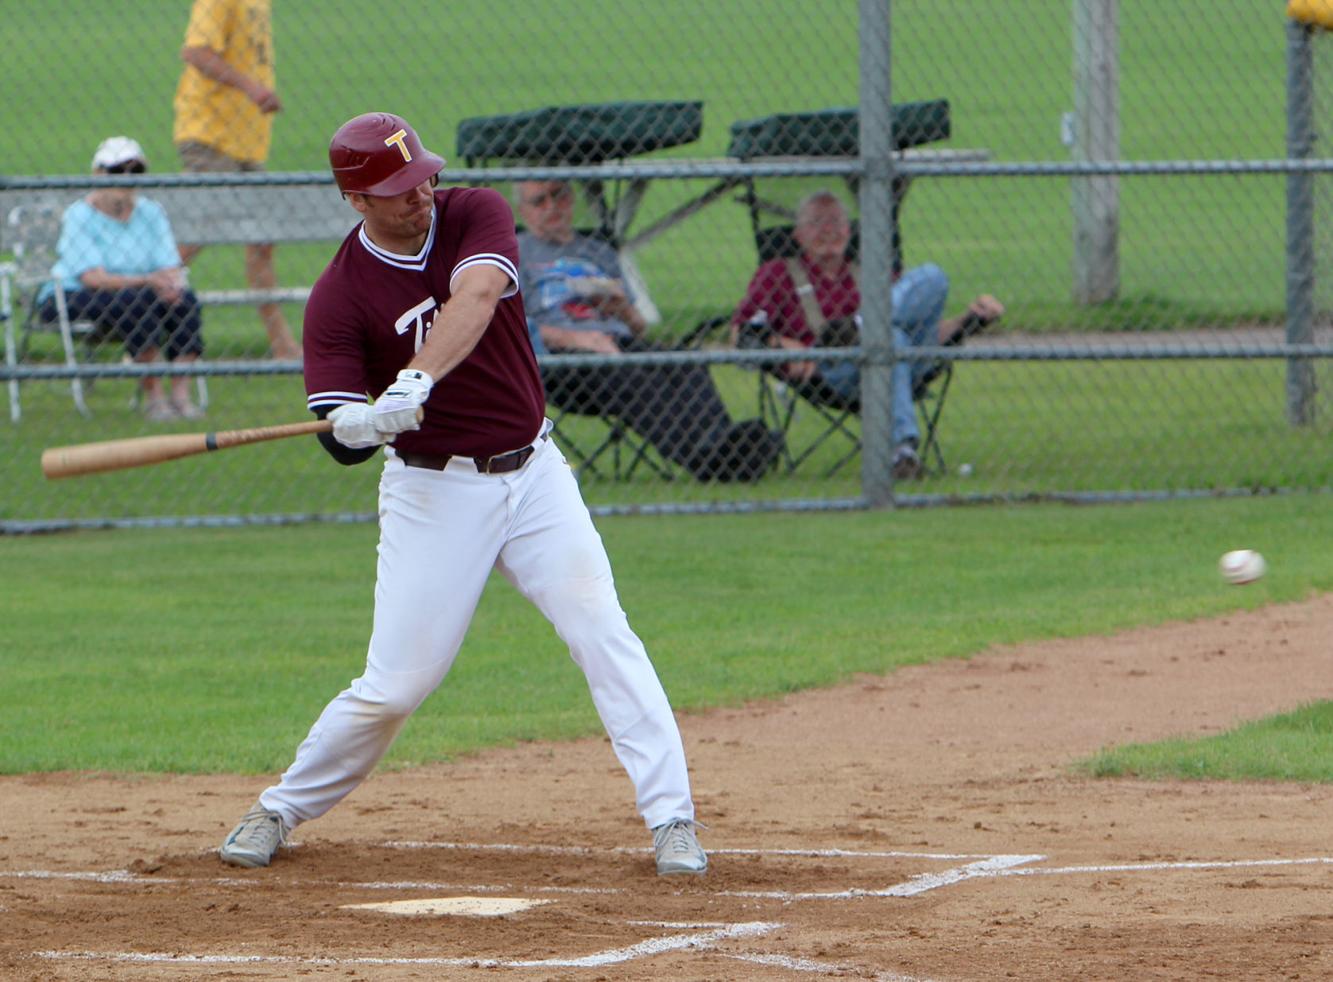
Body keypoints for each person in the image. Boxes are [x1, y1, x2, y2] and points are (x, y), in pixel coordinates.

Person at [217, 112, 708, 878]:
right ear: (356, 200)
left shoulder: (475, 210)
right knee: (397, 685)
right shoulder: (338, 298)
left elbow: (476, 299)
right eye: (399, 190)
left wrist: (416, 376)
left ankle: (672, 819)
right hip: (432, 494)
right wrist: (357, 425)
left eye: (422, 178)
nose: (421, 195)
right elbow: (335, 438)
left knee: (601, 632)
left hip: (534, 475)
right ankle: (279, 808)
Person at [515, 180, 781, 483]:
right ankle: (704, 460)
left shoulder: (598, 251)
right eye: (539, 201)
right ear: (523, 211)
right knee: (632, 376)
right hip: (563, 359)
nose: (552, 207)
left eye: (559, 196)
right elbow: (515, 325)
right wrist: (578, 338)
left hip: (620, 340)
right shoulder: (517, 254)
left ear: (572, 200)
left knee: (684, 361)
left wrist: (621, 309)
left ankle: (722, 442)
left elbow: (639, 327)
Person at [732, 189, 1004, 479]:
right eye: (816, 223)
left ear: (849, 231)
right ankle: (901, 449)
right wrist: (794, 352)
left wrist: (969, 320)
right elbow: (743, 334)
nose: (828, 230)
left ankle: (862, 325)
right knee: (893, 338)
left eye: (836, 222)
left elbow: (923, 334)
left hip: (903, 360)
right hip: (836, 370)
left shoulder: (871, 270)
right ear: (798, 235)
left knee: (932, 277)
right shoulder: (777, 274)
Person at [39, 136, 205, 421]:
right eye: (117, 171)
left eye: (135, 171)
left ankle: (181, 396)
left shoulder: (151, 213)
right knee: (136, 302)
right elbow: (92, 277)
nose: (126, 179)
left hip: (138, 293)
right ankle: (155, 399)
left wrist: (170, 285)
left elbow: (168, 264)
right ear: (98, 175)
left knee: (184, 301)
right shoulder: (80, 215)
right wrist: (149, 281)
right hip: (71, 294)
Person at [172, 0, 301, 360]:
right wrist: (252, 88)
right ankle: (143, 331)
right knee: (197, 232)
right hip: (211, 134)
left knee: (261, 241)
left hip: (245, 142)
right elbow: (196, 51)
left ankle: (282, 346)